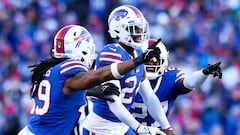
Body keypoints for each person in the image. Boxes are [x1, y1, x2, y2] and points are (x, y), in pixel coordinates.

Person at [17, 24, 161, 135]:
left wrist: (93, 91)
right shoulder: (70, 68)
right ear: (82, 49)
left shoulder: (52, 69)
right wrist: (137, 60)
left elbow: (63, 93)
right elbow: (98, 75)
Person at [81, 5, 174, 135]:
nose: (140, 32)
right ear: (119, 30)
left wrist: (167, 127)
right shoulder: (112, 53)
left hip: (122, 126)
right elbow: (112, 101)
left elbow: (150, 97)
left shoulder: (138, 53)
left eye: (141, 28)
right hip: (101, 127)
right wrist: (138, 127)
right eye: (135, 28)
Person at [130, 39, 222, 128]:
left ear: (164, 60)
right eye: (147, 60)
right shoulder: (129, 76)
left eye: (155, 60)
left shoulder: (170, 77)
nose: (150, 64)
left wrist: (204, 73)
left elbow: (187, 84)